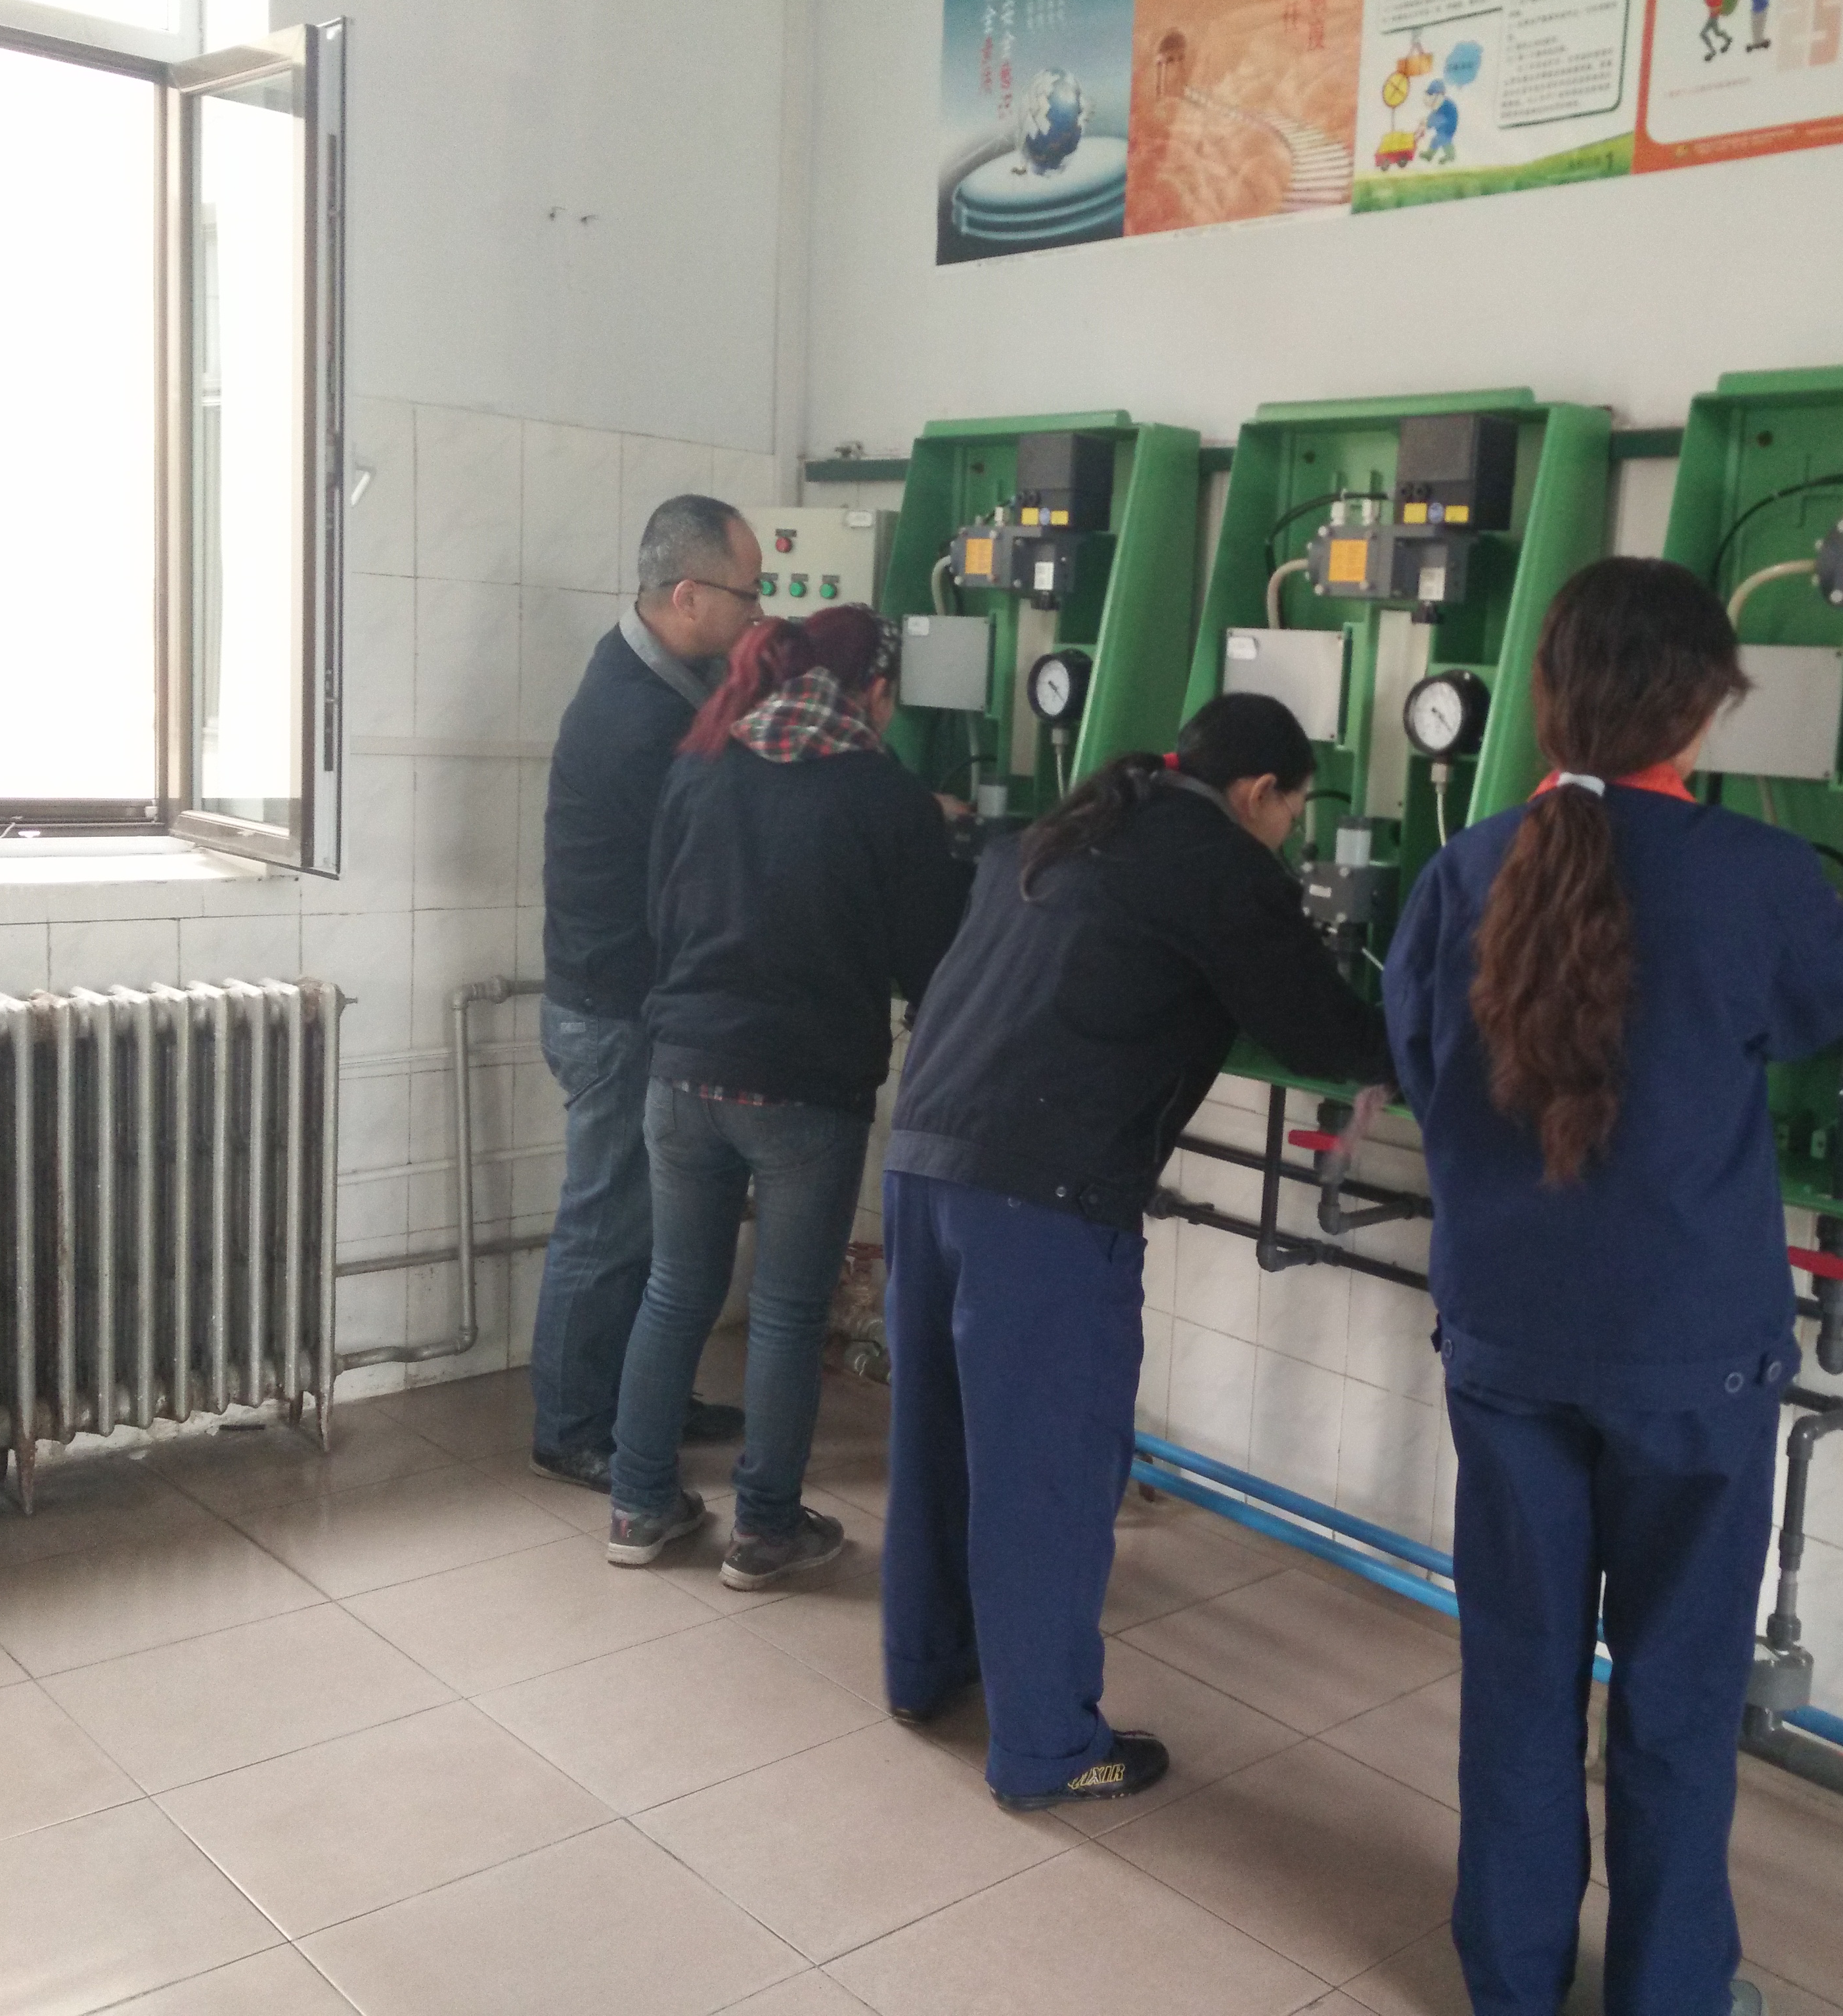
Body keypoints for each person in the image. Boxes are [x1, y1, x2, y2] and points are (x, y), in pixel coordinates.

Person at [1382, 558, 1843, 2016]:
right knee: (1675, 1695)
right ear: (1704, 705)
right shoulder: (1760, 877)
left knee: (1520, 1679)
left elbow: (1417, 1060)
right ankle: (1667, 1994)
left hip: (1508, 1339)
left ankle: (1512, 1982)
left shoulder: (1464, 870)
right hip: (1689, 1355)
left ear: (1546, 695)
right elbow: (1835, 1005)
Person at [879, 693, 1391, 1810]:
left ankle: (925, 1670)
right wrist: (1418, 1049)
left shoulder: (1063, 831)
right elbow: (1317, 1026)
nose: (1288, 838)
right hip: (1041, 1203)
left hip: (923, 1166)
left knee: (939, 1445)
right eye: (1292, 815)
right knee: (1049, 1476)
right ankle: (1050, 1749)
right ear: (1259, 793)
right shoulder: (1221, 865)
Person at [605, 606, 971, 1584]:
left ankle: (639, 1507)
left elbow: (660, 911)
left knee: (675, 1289)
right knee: (784, 1311)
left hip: (682, 1069)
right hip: (804, 1090)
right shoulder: (885, 795)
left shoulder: (702, 764)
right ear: (874, 695)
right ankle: (765, 1530)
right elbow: (929, 959)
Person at [529, 495, 766, 1490]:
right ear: (688, 596)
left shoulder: (656, 673)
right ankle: (573, 1426)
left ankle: (645, 1401)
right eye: (749, 594)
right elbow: (697, 861)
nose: (759, 614)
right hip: (613, 1011)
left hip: (619, 998)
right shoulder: (639, 715)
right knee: (609, 1222)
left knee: (649, 1225)